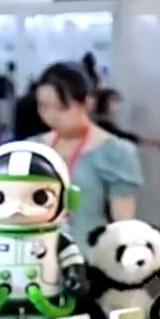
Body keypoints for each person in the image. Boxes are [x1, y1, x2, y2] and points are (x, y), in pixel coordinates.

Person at [30, 62, 144, 245]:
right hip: (36, 251)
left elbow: (123, 225)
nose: (50, 116)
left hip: (89, 253)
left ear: (87, 103)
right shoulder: (32, 148)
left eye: (60, 108)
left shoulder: (116, 153)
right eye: (43, 106)